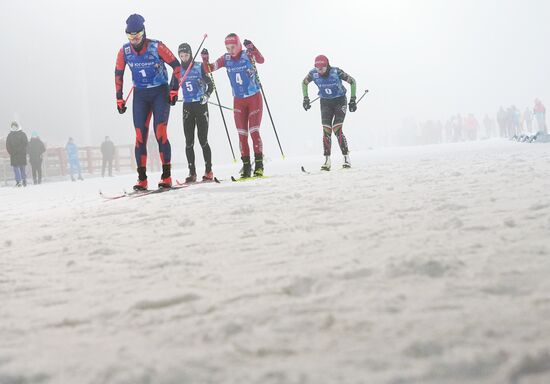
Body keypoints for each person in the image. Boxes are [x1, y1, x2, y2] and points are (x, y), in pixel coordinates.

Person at [114, 14, 182, 190]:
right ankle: (142, 179)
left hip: (160, 92)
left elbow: (176, 66)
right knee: (139, 137)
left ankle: (166, 176)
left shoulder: (156, 46)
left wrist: (174, 89)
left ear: (144, 32)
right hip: (141, 96)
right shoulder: (124, 51)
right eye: (130, 36)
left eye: (137, 35)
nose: (134, 39)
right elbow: (118, 74)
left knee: (160, 132)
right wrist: (119, 98)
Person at [201, 33, 265, 178]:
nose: (230, 50)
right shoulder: (226, 58)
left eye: (233, 47)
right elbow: (209, 69)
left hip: (254, 97)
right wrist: (205, 60)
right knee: (242, 135)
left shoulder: (247, 54)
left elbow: (261, 60)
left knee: (254, 131)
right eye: (227, 47)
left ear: (239, 45)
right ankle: (246, 166)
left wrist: (253, 48)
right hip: (238, 100)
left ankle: (259, 165)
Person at [302, 55, 357, 170]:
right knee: (326, 130)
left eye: (322, 68)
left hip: (339, 101)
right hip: (325, 102)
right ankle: (327, 161)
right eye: (317, 68)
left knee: (337, 129)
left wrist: (353, 99)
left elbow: (352, 81)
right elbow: (304, 83)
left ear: (327, 65)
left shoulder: (336, 72)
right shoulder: (313, 74)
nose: (319, 70)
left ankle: (346, 158)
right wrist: (305, 98)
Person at [178, 43, 214, 183]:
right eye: (181, 56)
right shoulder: (178, 70)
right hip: (187, 106)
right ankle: (192, 173)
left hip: (200, 105)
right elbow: (172, 87)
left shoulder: (198, 67)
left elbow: (210, 85)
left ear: (191, 54)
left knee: (203, 139)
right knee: (189, 142)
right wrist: (172, 96)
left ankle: (208, 170)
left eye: (186, 55)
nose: (184, 58)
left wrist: (206, 95)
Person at [5, 121, 28, 187]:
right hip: (14, 155)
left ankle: (24, 180)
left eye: (15, 126)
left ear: (17, 126)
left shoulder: (22, 134)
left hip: (21, 154)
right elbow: (8, 145)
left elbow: (25, 143)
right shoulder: (10, 135)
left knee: (22, 168)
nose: (14, 128)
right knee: (15, 168)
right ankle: (18, 181)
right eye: (13, 126)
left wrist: (20, 150)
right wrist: (11, 152)